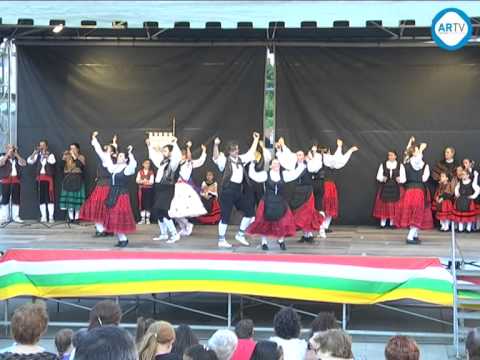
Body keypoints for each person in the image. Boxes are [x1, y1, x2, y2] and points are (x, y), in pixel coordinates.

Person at [212, 132, 260, 248]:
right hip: (227, 191)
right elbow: (216, 157)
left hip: (238, 190)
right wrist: (216, 145)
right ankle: (221, 240)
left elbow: (250, 153)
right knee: (225, 216)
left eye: (237, 149)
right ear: (229, 151)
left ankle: (240, 234)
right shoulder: (225, 160)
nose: (236, 152)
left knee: (250, 212)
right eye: (234, 150)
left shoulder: (241, 159)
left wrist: (256, 140)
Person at [246, 158, 306, 251]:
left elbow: (295, 174)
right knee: (264, 223)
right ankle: (264, 242)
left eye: (278, 163)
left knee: (282, 222)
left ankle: (281, 240)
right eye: (274, 163)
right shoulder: (265, 174)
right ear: (270, 166)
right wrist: (252, 165)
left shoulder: (284, 175)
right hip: (267, 201)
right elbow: (253, 175)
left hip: (280, 201)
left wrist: (301, 164)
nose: (277, 165)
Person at [275, 138, 323, 243]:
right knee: (299, 213)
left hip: (308, 191)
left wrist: (313, 154)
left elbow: (315, 166)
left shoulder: (309, 164)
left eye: (301, 155)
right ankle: (305, 235)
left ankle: (308, 235)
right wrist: (280, 149)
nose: (299, 157)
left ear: (304, 155)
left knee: (308, 213)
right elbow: (286, 158)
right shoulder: (294, 166)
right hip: (298, 191)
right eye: (297, 155)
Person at [308, 139, 359, 237]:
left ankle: (322, 226)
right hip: (325, 185)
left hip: (326, 185)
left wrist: (348, 150)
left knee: (324, 207)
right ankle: (321, 226)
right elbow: (339, 160)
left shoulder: (326, 160)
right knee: (324, 207)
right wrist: (343, 148)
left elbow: (339, 160)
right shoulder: (324, 159)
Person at [396, 136, 433, 244]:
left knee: (412, 212)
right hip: (418, 191)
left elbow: (402, 179)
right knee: (417, 212)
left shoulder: (405, 163)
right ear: (415, 153)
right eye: (416, 151)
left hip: (408, 191)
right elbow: (424, 178)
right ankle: (410, 237)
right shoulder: (421, 164)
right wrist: (421, 148)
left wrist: (410, 143)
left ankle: (415, 235)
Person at [80, 132, 117, 237]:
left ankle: (103, 229)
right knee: (104, 208)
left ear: (111, 152)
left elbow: (99, 150)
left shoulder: (107, 159)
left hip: (104, 186)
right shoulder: (110, 159)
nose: (106, 149)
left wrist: (94, 139)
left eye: (108, 149)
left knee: (99, 208)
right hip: (106, 185)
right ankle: (106, 229)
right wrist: (113, 143)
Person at [169, 142, 207, 239]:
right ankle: (184, 225)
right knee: (173, 211)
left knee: (180, 210)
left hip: (185, 188)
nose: (180, 157)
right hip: (176, 188)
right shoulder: (175, 164)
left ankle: (186, 225)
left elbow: (200, 161)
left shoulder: (189, 163)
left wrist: (203, 151)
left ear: (185, 156)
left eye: (182, 155)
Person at [147, 135, 182, 243]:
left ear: (170, 152)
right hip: (159, 187)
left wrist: (175, 144)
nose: (163, 153)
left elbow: (178, 156)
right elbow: (153, 157)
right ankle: (164, 233)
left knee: (163, 210)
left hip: (167, 188)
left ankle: (175, 234)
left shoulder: (173, 163)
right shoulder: (162, 162)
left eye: (165, 151)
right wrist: (149, 145)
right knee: (158, 211)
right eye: (163, 151)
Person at [103, 144, 137, 247]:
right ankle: (121, 238)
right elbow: (108, 163)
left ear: (126, 159)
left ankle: (123, 238)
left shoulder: (127, 169)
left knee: (118, 216)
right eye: (119, 156)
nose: (119, 157)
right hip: (113, 193)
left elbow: (134, 164)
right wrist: (108, 154)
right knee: (113, 216)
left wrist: (130, 153)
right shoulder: (115, 168)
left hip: (121, 195)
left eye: (122, 156)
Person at [372, 150, 406, 228]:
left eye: (391, 155)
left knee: (394, 205)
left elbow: (404, 178)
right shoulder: (383, 165)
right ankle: (382, 223)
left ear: (395, 156)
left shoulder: (400, 165)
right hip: (385, 187)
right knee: (384, 205)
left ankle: (392, 223)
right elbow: (378, 176)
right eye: (389, 155)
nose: (390, 157)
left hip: (396, 188)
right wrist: (382, 178)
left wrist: (399, 179)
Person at [27, 140, 56, 223]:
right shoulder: (37, 155)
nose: (41, 147)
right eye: (40, 145)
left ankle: (51, 217)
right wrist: (34, 153)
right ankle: (43, 216)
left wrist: (45, 155)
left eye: (43, 145)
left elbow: (52, 161)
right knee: (41, 198)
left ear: (46, 146)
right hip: (39, 179)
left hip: (48, 179)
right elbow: (29, 161)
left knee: (50, 198)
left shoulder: (51, 155)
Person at [59, 143, 86, 222]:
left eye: (74, 148)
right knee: (69, 198)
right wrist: (63, 159)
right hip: (68, 178)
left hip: (78, 178)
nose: (72, 150)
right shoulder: (67, 157)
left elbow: (81, 166)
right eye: (71, 148)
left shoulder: (81, 157)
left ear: (78, 149)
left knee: (77, 200)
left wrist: (74, 157)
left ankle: (77, 217)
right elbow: (60, 167)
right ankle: (70, 218)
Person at [0, 144, 27, 224]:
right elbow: (1, 163)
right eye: (9, 148)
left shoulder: (16, 158)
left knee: (16, 199)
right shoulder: (2, 157)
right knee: (5, 199)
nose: (11, 150)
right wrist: (7, 155)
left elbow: (24, 163)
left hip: (16, 180)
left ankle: (15, 217)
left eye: (12, 148)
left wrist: (17, 155)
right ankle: (5, 217)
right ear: (6, 149)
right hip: (5, 180)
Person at [136, 159, 155, 225]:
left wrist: (144, 181)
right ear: (143, 164)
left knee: (148, 204)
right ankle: (143, 219)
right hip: (141, 190)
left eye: (148, 163)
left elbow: (152, 182)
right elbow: (137, 180)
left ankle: (148, 219)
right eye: (146, 163)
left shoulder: (151, 172)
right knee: (142, 204)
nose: (147, 165)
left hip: (149, 190)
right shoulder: (140, 172)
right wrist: (144, 181)